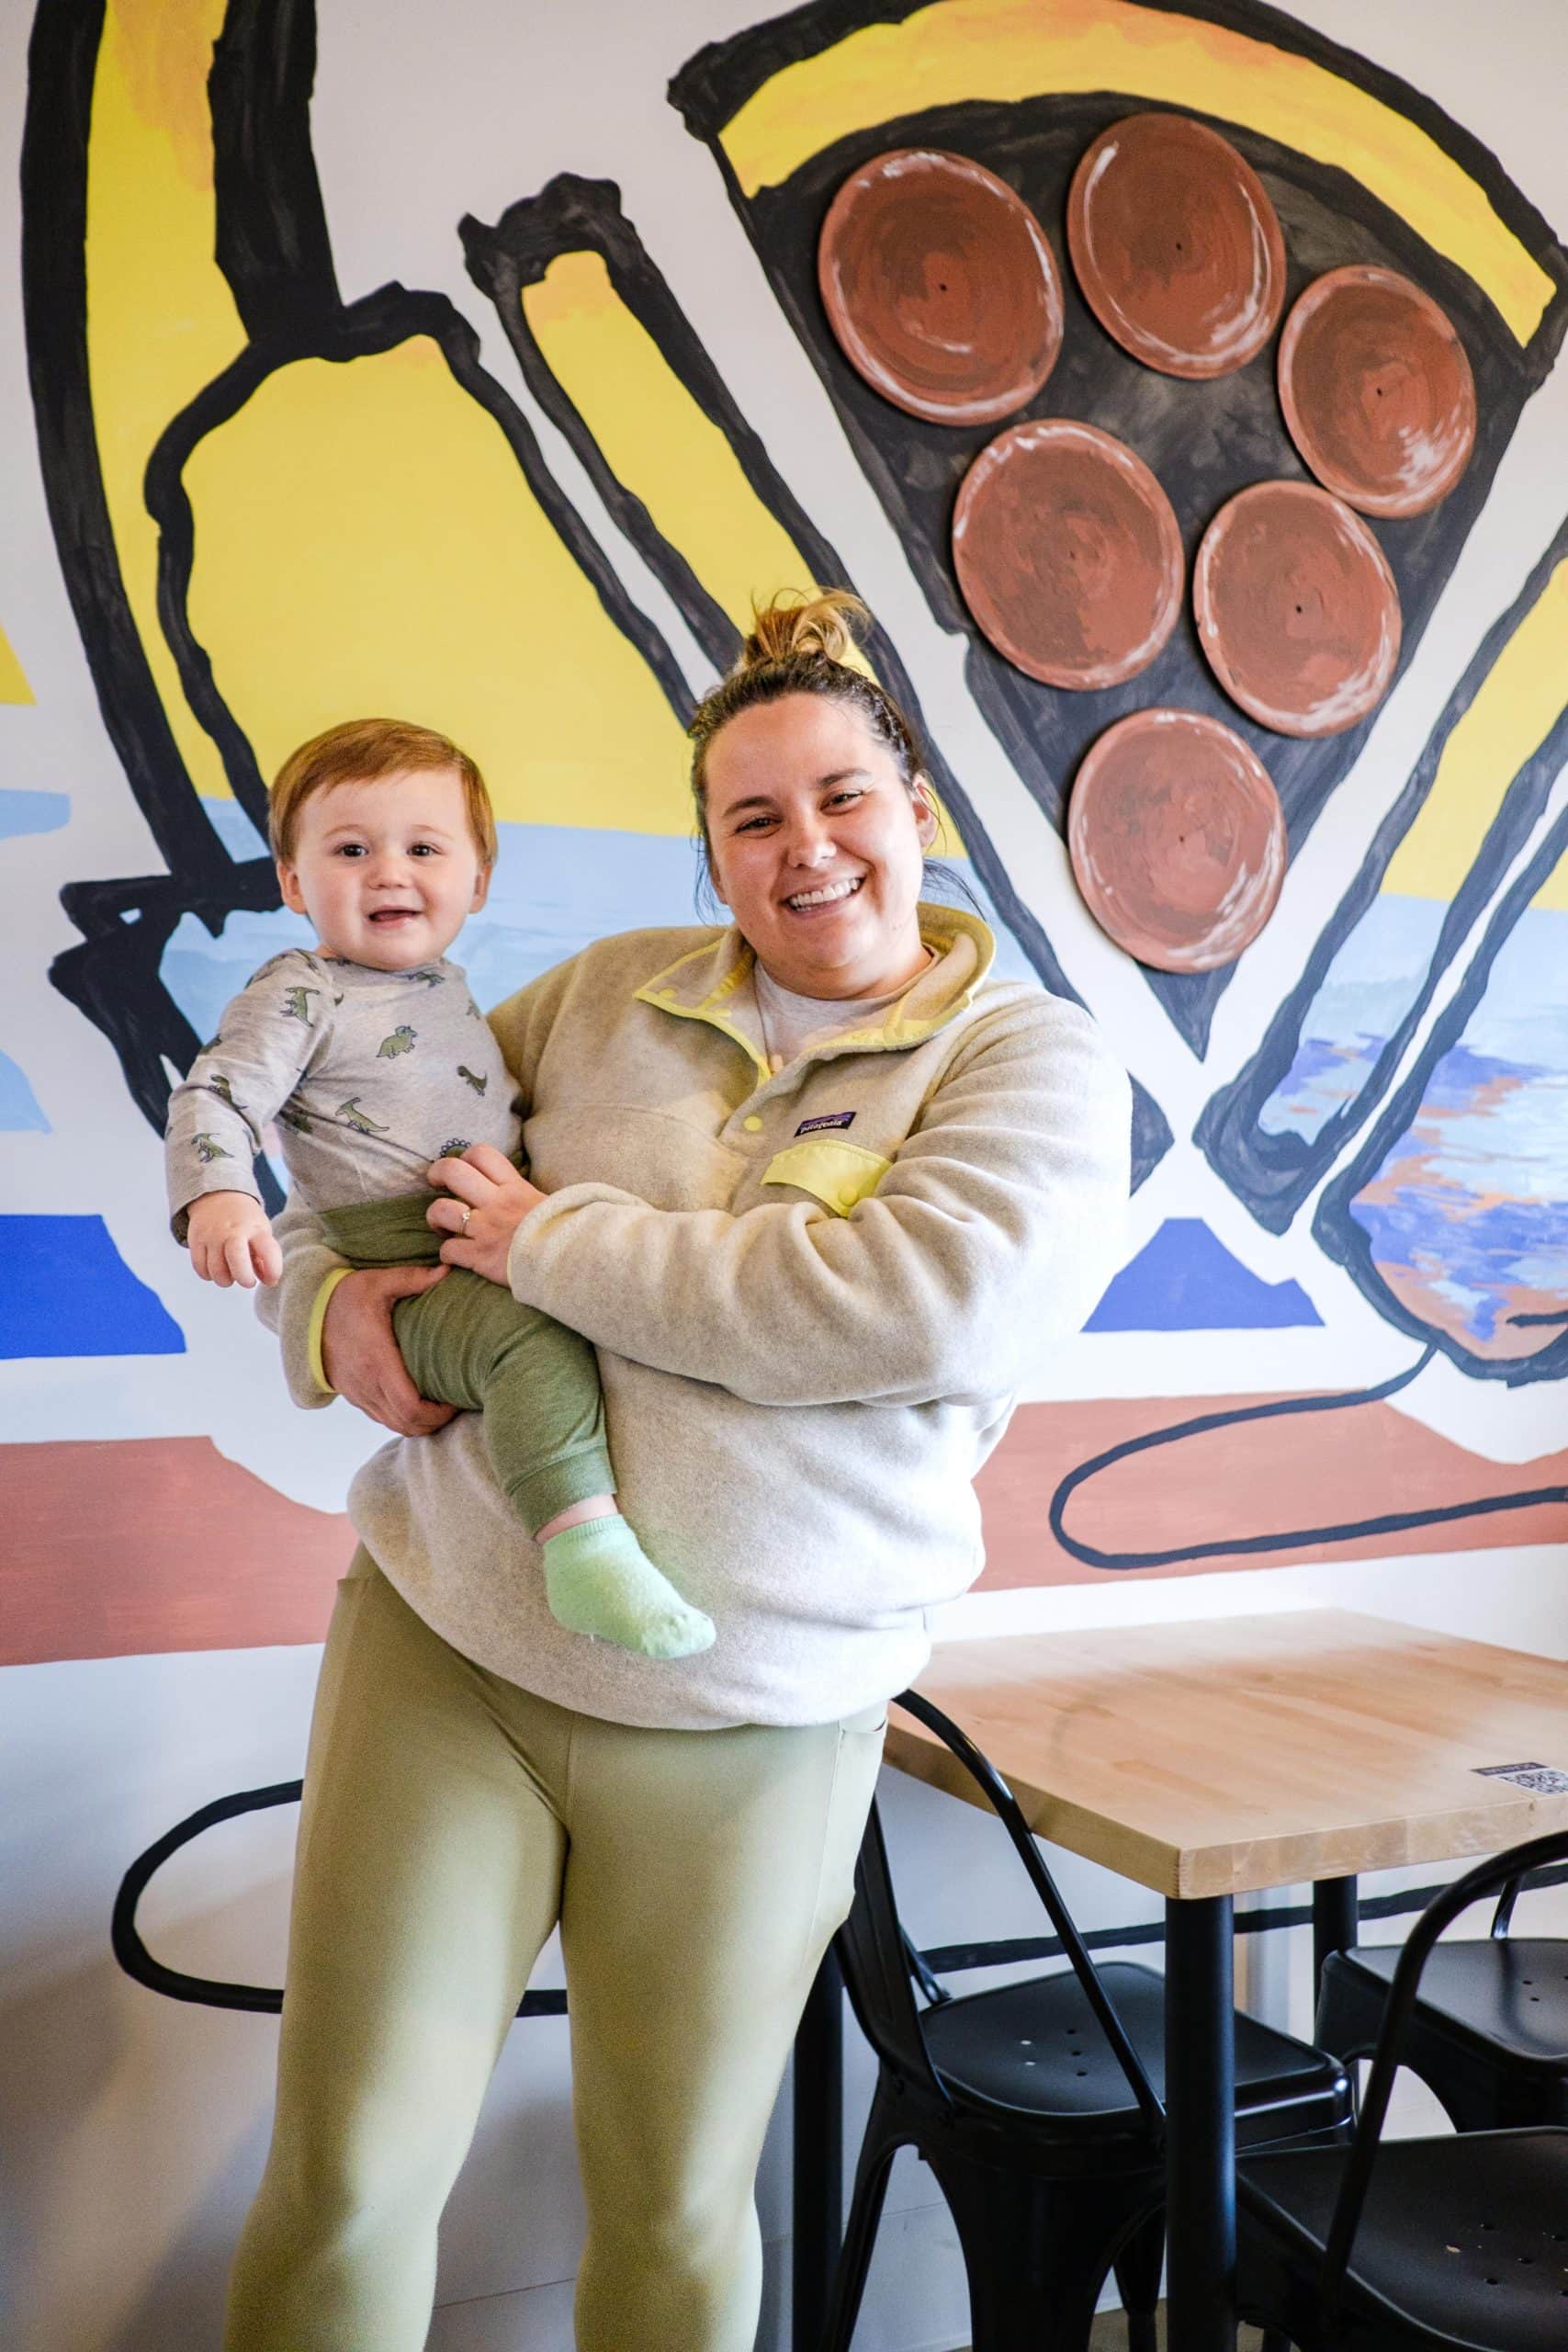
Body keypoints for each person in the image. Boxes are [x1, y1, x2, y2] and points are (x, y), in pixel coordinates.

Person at [223, 593, 1132, 2352]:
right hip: (452, 1647)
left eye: (844, 798)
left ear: (916, 809)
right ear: (711, 849)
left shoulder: (1029, 1062)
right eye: (754, 816)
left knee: (670, 2213)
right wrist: (325, 1314)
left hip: (757, 1711)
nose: (808, 850)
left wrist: (553, 1244)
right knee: (343, 2185)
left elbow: (909, 1309)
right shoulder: (598, 997)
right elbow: (382, 1175)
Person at [164, 718, 713, 1660]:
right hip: (403, 1260)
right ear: (294, 883)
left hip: (475, 1234)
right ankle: (584, 1549)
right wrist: (220, 1193)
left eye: (423, 847)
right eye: (350, 849)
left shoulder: (452, 986)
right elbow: (216, 1089)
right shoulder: (302, 991)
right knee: (526, 1346)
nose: (387, 871)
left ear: (477, 880)